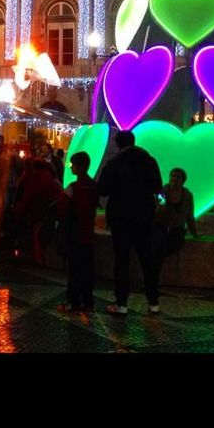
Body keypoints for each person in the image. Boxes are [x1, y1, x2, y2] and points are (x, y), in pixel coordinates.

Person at [97, 129, 163, 315]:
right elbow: (157, 187)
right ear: (133, 141)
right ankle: (153, 301)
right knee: (146, 259)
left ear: (118, 144)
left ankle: (122, 303)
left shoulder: (114, 163)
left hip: (121, 216)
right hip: (144, 216)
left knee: (122, 260)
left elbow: (103, 189)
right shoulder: (149, 161)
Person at [56, 152, 99, 313]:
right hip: (88, 233)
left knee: (74, 270)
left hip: (75, 234)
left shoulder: (73, 188)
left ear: (80, 166)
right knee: (87, 270)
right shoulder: (94, 186)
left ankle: (73, 301)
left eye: (73, 164)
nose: (71, 167)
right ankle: (88, 301)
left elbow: (62, 208)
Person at [156, 168, 198, 254]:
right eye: (173, 176)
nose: (174, 178)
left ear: (183, 180)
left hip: (178, 228)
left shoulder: (188, 196)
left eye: (178, 177)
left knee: (175, 243)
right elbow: (157, 209)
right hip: (161, 226)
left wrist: (193, 232)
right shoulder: (162, 193)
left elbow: (190, 216)